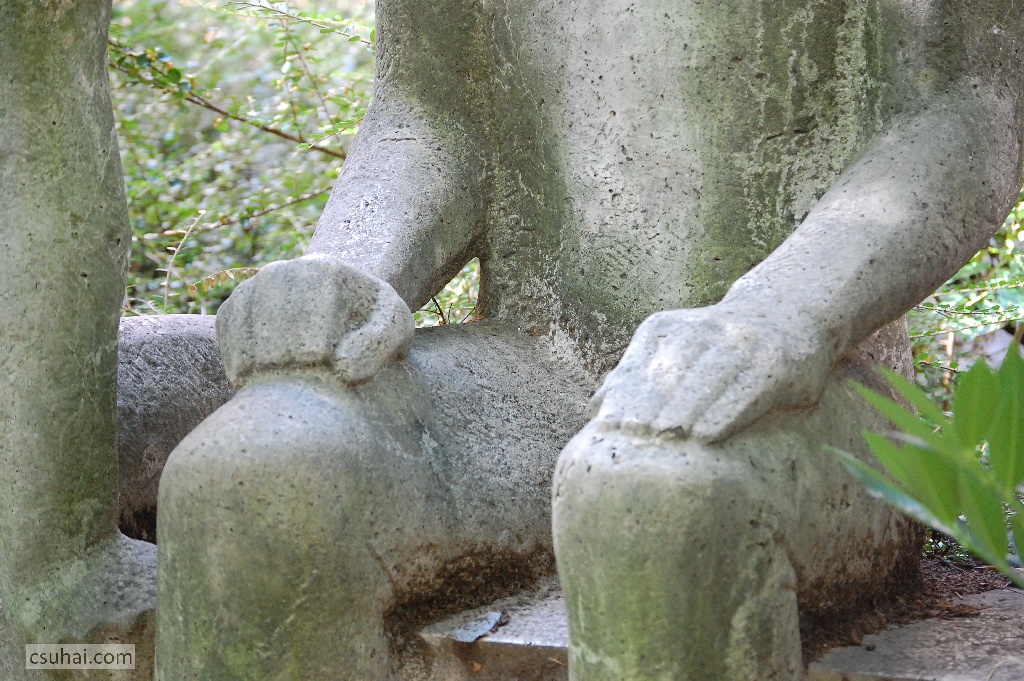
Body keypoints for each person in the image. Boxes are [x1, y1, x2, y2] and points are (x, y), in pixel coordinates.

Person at [157, 1, 1024, 678]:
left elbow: (968, 107)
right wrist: (348, 267)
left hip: (821, 384)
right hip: (534, 368)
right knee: (253, 476)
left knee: (657, 500)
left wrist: (786, 311)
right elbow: (433, 111)